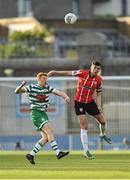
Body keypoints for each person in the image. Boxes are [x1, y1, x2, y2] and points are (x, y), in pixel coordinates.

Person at [47, 61, 112, 159]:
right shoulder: (82, 73)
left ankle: (103, 134)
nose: (96, 70)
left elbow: (98, 94)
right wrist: (54, 72)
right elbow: (68, 73)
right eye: (94, 68)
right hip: (79, 102)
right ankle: (86, 151)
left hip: (90, 103)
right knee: (84, 125)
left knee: (102, 121)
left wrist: (99, 106)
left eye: (98, 69)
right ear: (91, 67)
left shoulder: (98, 80)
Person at [15, 72, 70, 165]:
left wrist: (66, 96)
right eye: (44, 78)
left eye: (46, 78)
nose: (45, 80)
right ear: (39, 79)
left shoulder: (47, 88)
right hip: (36, 113)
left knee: (45, 138)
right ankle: (58, 153)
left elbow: (59, 92)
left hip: (43, 114)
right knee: (50, 130)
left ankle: (31, 155)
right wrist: (22, 85)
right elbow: (16, 91)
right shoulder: (32, 87)